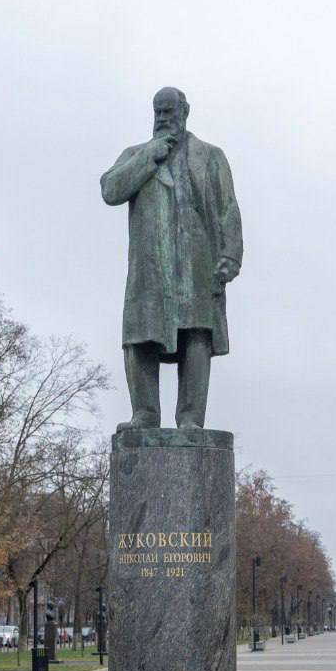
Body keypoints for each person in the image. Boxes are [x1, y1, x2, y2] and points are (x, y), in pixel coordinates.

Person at [101, 86, 243, 431]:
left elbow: (228, 209)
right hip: (149, 268)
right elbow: (110, 190)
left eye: (169, 112)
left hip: (197, 264)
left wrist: (230, 255)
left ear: (185, 112)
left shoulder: (210, 156)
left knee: (196, 335)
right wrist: (149, 156)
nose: (163, 119)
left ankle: (191, 419)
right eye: (158, 112)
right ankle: (145, 414)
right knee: (140, 337)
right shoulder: (136, 154)